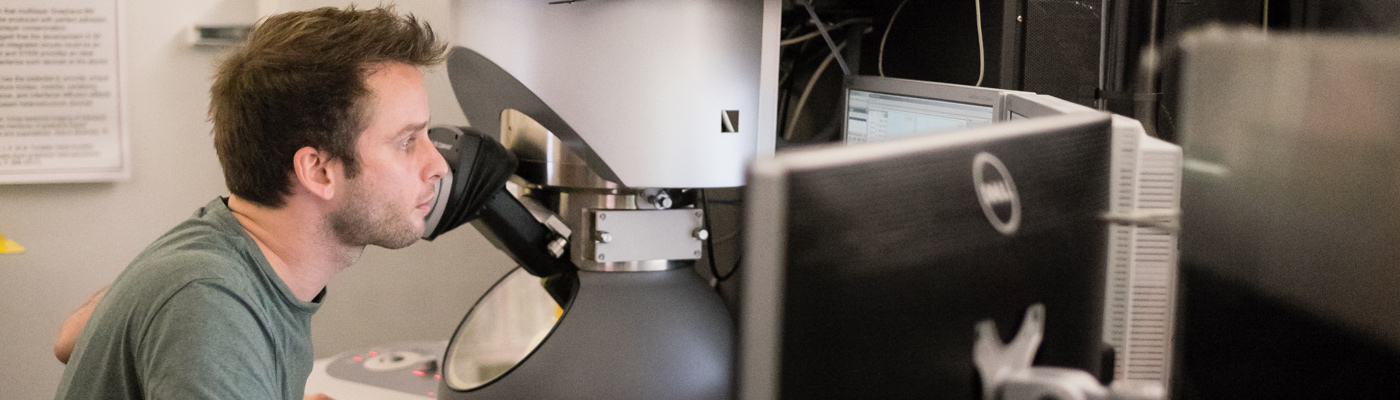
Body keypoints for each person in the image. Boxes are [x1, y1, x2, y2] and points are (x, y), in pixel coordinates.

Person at [53, 6, 450, 399]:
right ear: (318, 171)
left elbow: (71, 338)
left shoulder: (213, 256)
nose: (438, 164)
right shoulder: (210, 303)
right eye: (407, 142)